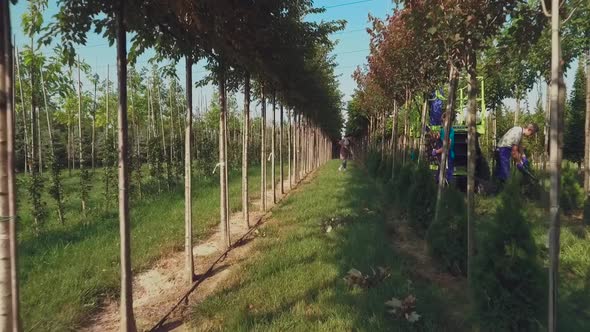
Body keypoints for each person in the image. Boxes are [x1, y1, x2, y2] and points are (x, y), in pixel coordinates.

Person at [432, 113, 455, 183]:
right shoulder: (442, 131)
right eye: (442, 121)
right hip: (441, 157)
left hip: (448, 156)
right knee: (438, 178)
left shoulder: (451, 131)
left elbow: (447, 146)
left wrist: (437, 151)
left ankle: (447, 191)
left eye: (445, 120)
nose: (443, 122)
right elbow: (438, 141)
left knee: (447, 179)